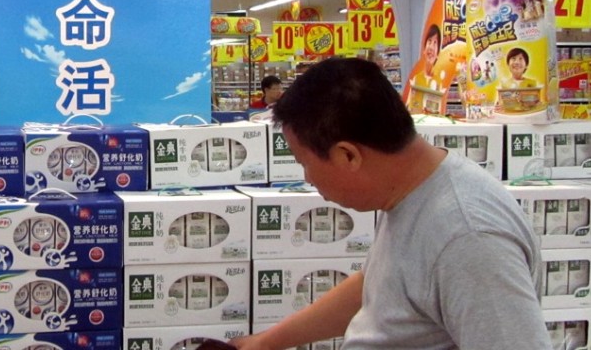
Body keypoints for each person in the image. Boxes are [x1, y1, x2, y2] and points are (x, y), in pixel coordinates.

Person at [233, 57, 550, 350]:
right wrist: (262, 343)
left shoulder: (469, 239)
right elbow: (377, 289)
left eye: (305, 163)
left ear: (348, 156)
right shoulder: (409, 190)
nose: (308, 179)